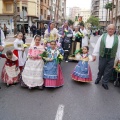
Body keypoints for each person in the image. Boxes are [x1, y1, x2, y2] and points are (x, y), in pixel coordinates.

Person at [93, 24, 120, 90]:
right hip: (103, 56)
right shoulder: (102, 36)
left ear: (114, 30)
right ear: (107, 29)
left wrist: (119, 58)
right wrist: (94, 54)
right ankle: (98, 78)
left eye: (112, 29)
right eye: (109, 29)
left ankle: (105, 82)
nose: (111, 30)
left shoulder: (117, 38)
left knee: (108, 70)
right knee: (101, 68)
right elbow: (97, 45)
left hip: (111, 57)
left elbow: (119, 48)